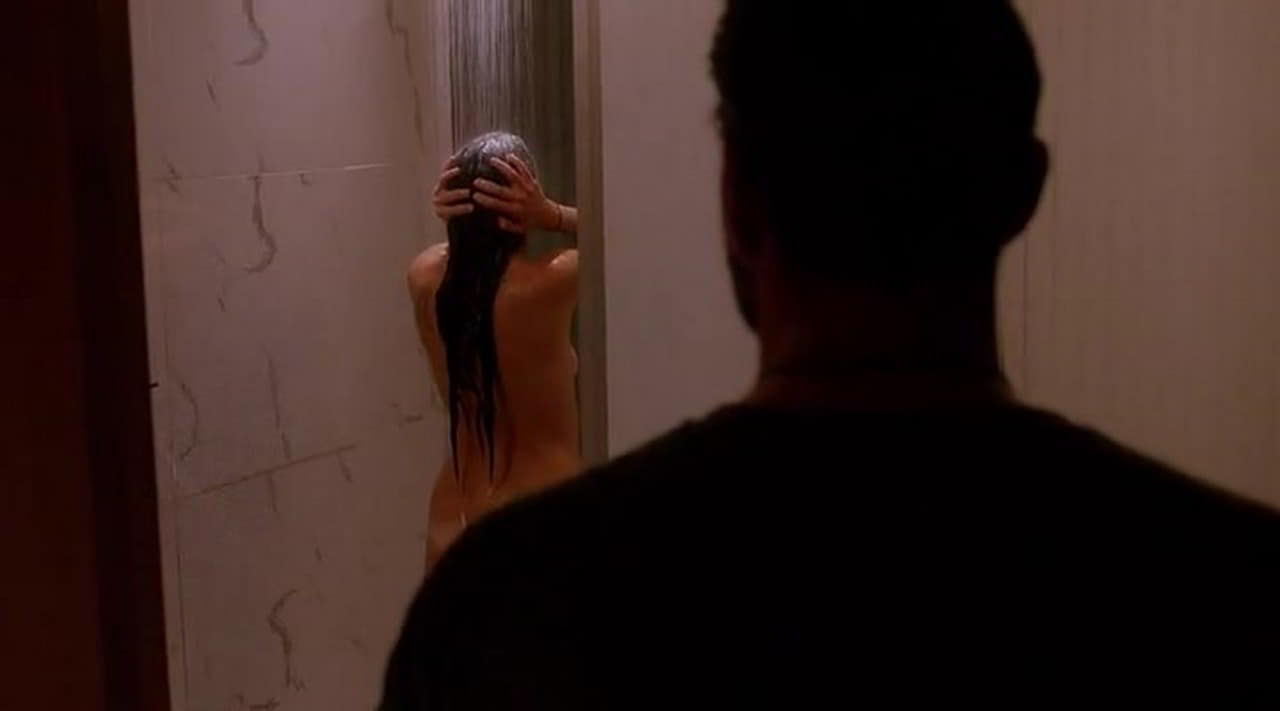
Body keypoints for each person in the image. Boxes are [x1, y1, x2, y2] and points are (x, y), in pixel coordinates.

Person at [382, 3, 1280, 708]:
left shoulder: (506, 603)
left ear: (737, 204)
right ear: (1023, 193)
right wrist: (553, 218)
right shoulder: (1227, 589)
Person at [408, 131, 581, 570]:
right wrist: (552, 214)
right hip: (539, 517)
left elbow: (458, 251)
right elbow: (628, 234)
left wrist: (461, 217)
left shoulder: (424, 278)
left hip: (454, 516)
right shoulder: (550, 283)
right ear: (521, 211)